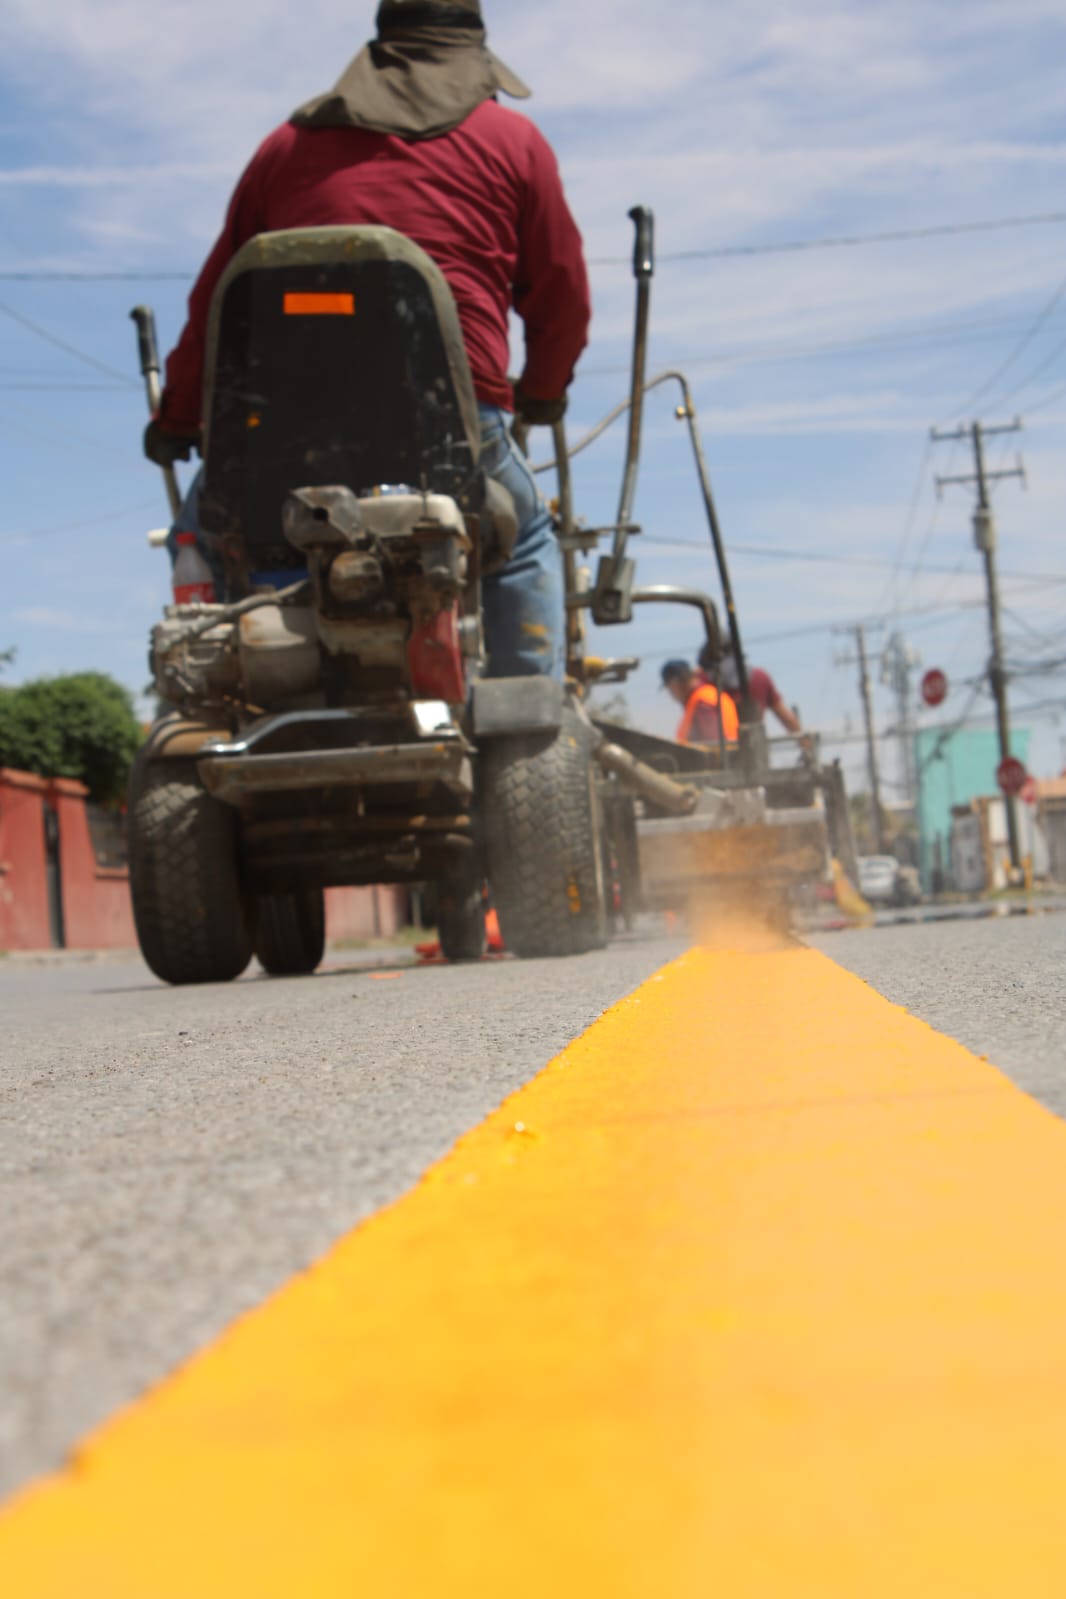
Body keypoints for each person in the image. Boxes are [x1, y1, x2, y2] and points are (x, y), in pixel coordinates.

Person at [144, 0, 590, 680]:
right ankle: (526, 711)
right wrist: (543, 391)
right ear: (474, 63)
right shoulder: (513, 142)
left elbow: (215, 307)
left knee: (206, 528)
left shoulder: (284, 150)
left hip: (284, 441)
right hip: (453, 432)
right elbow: (563, 296)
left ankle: (219, 690)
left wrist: (176, 419)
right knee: (523, 536)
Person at [703, 641, 804, 736]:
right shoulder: (760, 677)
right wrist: (804, 741)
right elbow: (786, 718)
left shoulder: (705, 682)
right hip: (757, 744)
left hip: (720, 747)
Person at [660, 659, 739, 747]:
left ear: (676, 683)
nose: (670, 692)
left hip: (722, 755)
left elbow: (713, 744)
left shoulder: (702, 703)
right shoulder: (707, 695)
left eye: (669, 687)